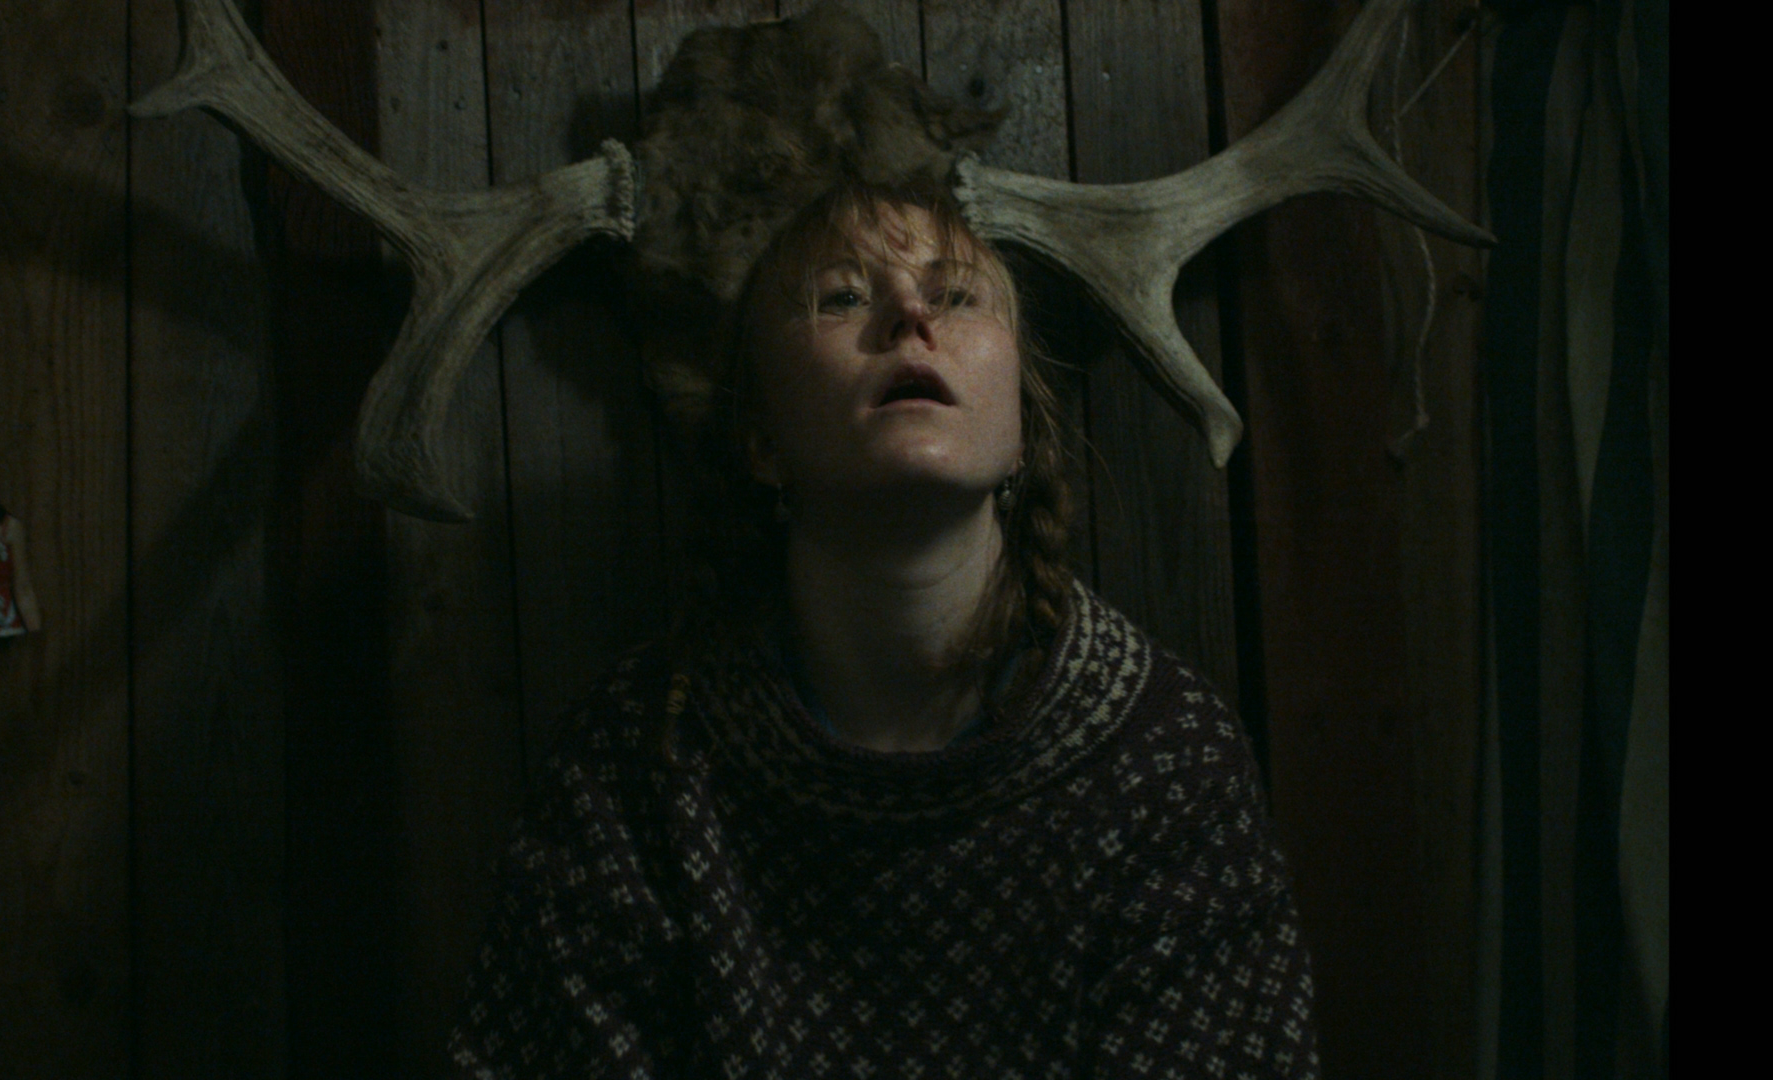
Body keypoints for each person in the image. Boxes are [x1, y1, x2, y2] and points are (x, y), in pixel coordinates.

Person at [449, 180, 1321, 1079]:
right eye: (841, 297)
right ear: (762, 440)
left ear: (1022, 431)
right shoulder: (642, 756)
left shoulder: (1162, 756)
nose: (910, 312)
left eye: (957, 296)